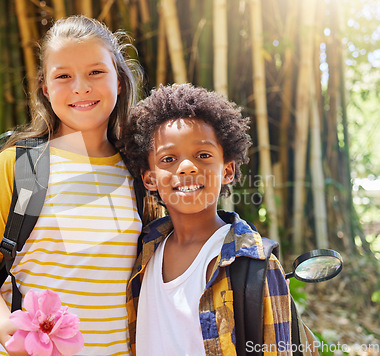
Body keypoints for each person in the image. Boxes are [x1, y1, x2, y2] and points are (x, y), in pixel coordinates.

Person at [0, 15, 143, 356]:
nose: (80, 87)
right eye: (63, 76)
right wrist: (4, 328)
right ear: (45, 88)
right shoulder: (19, 166)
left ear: (119, 80)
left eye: (95, 72)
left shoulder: (141, 173)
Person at [120, 83, 295, 355]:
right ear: (149, 178)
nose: (188, 166)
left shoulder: (253, 265)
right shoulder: (143, 251)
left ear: (227, 170)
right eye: (168, 158)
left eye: (203, 155)